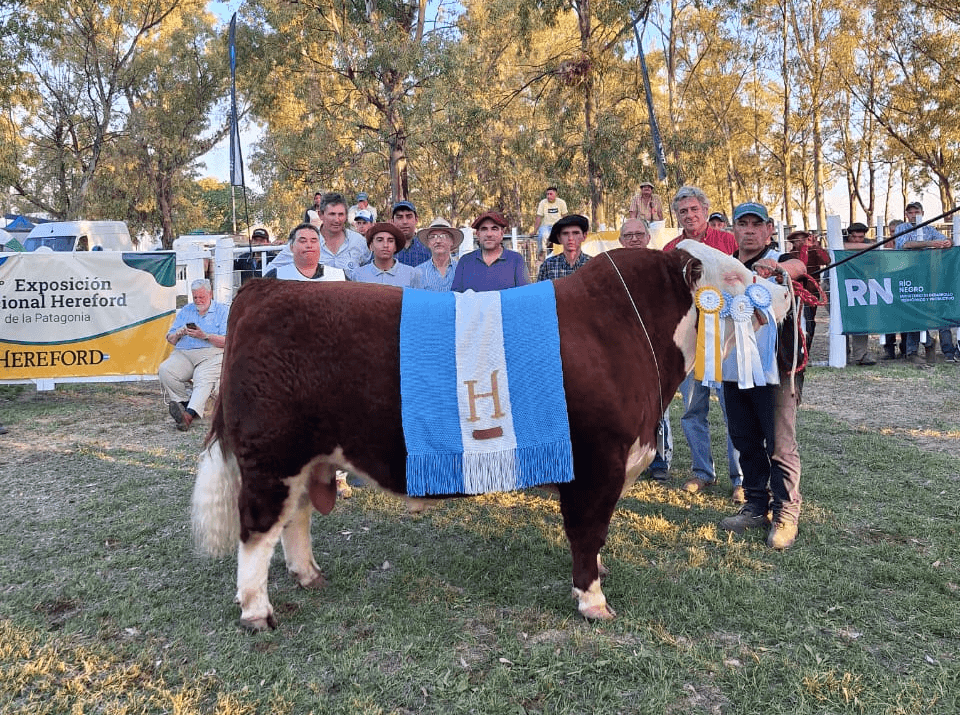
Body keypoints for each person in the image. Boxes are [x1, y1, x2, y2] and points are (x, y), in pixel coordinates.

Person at [719, 202, 807, 549]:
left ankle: (786, 512)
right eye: (744, 224)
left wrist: (778, 267)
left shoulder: (780, 260)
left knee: (781, 445)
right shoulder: (725, 267)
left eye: (758, 224)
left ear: (770, 229)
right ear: (734, 230)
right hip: (733, 368)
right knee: (745, 440)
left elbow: (799, 266)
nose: (751, 230)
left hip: (777, 369)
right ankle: (756, 505)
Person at [662, 186, 742, 500]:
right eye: (683, 211)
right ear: (677, 216)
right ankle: (701, 472)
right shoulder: (672, 248)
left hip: (727, 338)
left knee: (733, 410)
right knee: (693, 410)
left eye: (694, 209)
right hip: (690, 341)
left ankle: (741, 479)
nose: (690, 215)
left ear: (706, 210)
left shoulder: (728, 241)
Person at [617, 218, 674, 482]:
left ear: (648, 238)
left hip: (656, 346)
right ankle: (628, 458)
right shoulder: (613, 268)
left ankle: (658, 459)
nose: (634, 239)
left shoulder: (662, 267)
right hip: (621, 346)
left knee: (656, 405)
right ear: (620, 240)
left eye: (639, 234)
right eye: (628, 235)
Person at [159, 279, 229, 432]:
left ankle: (188, 416)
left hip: (212, 354)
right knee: (165, 370)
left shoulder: (223, 311)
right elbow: (170, 339)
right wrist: (178, 333)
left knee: (202, 377)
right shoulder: (186, 310)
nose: (198, 300)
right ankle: (184, 406)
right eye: (195, 297)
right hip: (184, 353)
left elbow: (228, 341)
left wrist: (205, 336)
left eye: (201, 297)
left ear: (210, 294)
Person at [895, 202, 958, 365]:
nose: (914, 215)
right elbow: (905, 244)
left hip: (931, 275)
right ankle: (913, 350)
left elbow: (945, 240)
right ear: (906, 214)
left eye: (917, 212)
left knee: (939, 308)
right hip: (908, 275)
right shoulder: (902, 228)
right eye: (911, 212)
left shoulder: (930, 229)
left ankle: (948, 351)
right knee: (913, 311)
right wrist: (932, 244)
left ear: (923, 212)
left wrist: (947, 242)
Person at [268, 192, 369, 278]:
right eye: (332, 214)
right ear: (321, 215)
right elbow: (271, 269)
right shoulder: (302, 241)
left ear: (346, 216)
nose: (337, 219)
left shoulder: (359, 242)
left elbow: (371, 272)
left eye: (341, 214)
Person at [452, 210, 529, 292]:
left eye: (494, 229)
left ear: (502, 233)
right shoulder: (465, 261)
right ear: (477, 234)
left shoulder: (516, 260)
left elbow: (524, 296)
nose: (489, 234)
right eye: (484, 229)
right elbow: (456, 297)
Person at [785, 229, 830, 355]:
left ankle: (806, 349)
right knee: (801, 319)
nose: (801, 242)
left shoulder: (814, 251)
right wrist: (806, 247)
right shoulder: (792, 254)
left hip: (811, 291)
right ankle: (800, 349)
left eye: (803, 239)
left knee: (810, 320)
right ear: (793, 242)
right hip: (797, 291)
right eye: (798, 240)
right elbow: (801, 265)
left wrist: (816, 246)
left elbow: (826, 260)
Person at [841, 223, 878, 365]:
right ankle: (842, 353)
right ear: (848, 235)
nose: (857, 240)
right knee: (840, 321)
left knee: (860, 319)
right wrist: (871, 246)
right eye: (853, 237)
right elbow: (844, 247)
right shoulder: (841, 242)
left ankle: (860, 355)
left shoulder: (869, 244)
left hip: (860, 286)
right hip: (837, 286)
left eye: (860, 237)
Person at [264, 223, 347, 282]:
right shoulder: (276, 276)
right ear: (292, 247)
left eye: (314, 241)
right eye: (303, 241)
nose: (309, 245)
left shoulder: (339, 276)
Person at [353, 223, 416, 287]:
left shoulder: (411, 274)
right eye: (380, 240)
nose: (385, 245)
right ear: (371, 246)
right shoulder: (358, 275)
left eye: (390, 241)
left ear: (395, 246)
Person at [411, 218, 462, 291]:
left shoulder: (461, 270)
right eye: (433, 237)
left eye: (444, 236)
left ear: (452, 241)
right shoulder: (418, 272)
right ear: (428, 243)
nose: (438, 241)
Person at [536, 214, 590, 281]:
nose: (570, 238)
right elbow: (542, 291)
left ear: (584, 236)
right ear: (559, 238)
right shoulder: (548, 265)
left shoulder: (593, 265)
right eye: (565, 233)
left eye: (575, 233)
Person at [391, 200, 431, 267]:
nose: (404, 222)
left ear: (416, 219)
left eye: (409, 217)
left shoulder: (427, 246)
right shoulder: (386, 247)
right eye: (399, 217)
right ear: (392, 221)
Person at [533, 187, 569, 251]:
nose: (548, 196)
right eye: (547, 194)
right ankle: (542, 256)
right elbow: (539, 217)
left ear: (556, 194)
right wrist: (535, 231)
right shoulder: (543, 203)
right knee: (542, 236)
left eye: (550, 194)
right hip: (545, 226)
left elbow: (565, 217)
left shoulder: (561, 202)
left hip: (557, 226)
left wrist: (567, 228)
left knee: (561, 238)